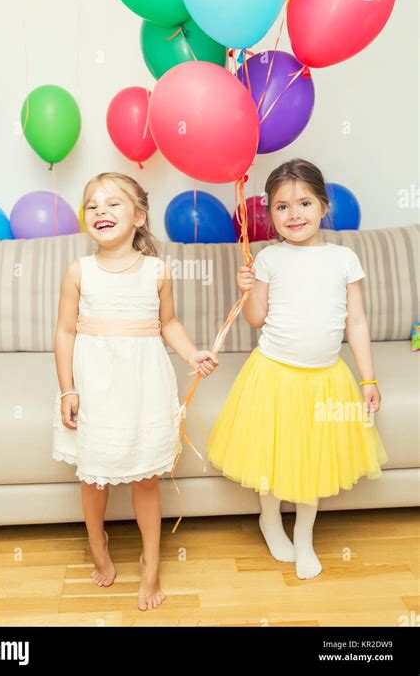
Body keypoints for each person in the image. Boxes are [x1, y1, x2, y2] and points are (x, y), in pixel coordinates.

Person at [206, 158, 388, 580]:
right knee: (271, 456)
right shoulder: (270, 258)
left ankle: (304, 534)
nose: (294, 215)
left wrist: (369, 378)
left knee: (314, 462)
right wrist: (247, 289)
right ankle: (270, 519)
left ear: (324, 206)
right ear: (270, 215)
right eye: (282, 207)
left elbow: (356, 322)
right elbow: (255, 318)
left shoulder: (344, 258)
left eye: (305, 203)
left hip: (326, 378)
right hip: (273, 375)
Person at [53, 172, 218, 609]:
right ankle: (99, 547)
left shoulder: (157, 271)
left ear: (140, 216)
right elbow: (66, 332)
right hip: (96, 387)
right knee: (94, 477)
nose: (101, 211)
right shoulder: (78, 271)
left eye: (113, 204)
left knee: (146, 477)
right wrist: (68, 390)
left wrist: (192, 354)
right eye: (92, 205)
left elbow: (169, 324)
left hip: (144, 385)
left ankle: (151, 563)